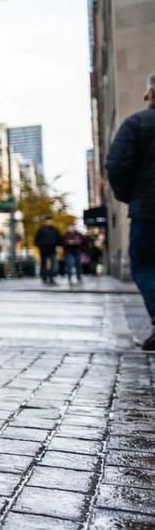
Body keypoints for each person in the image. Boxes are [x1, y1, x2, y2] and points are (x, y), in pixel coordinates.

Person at [105, 73, 155, 348]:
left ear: (151, 94)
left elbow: (117, 167)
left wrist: (128, 196)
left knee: (145, 264)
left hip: (148, 210)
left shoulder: (137, 123)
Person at [34, 218, 61, 286]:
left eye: (50, 221)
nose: (49, 223)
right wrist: (40, 246)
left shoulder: (54, 230)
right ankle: (45, 277)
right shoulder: (41, 230)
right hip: (44, 250)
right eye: (48, 221)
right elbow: (37, 239)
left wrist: (58, 245)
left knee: (53, 264)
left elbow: (59, 238)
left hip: (52, 249)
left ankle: (51, 277)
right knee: (44, 264)